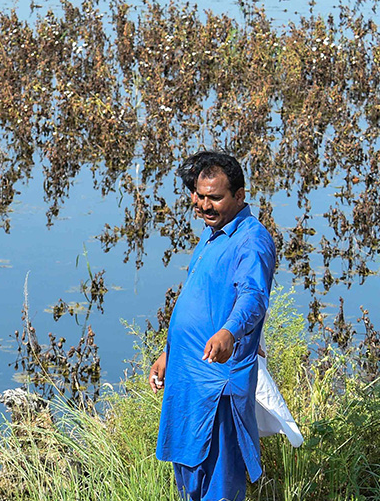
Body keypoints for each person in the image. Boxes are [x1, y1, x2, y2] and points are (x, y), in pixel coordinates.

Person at [150, 151, 276, 501]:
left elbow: (253, 297)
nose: (205, 205)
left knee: (220, 480)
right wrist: (167, 354)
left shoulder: (251, 239)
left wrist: (229, 332)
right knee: (189, 475)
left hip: (218, 380)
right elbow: (199, 300)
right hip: (186, 375)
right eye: (199, 196)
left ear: (239, 196)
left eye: (215, 198)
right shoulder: (213, 233)